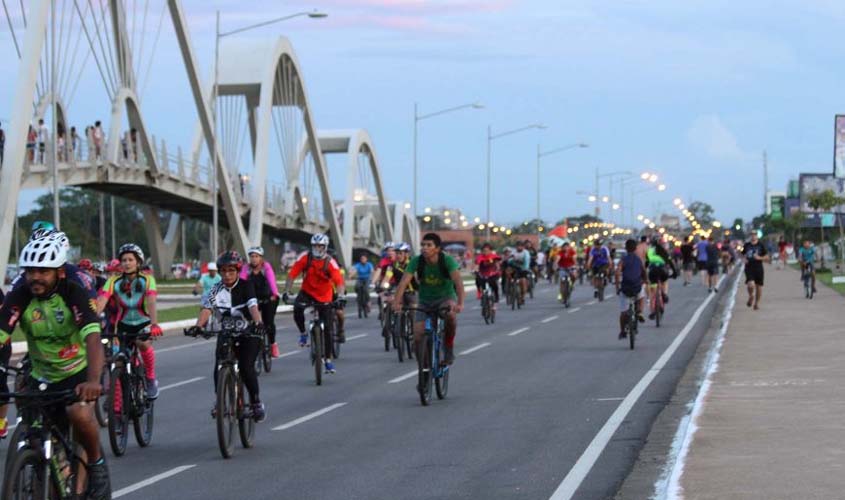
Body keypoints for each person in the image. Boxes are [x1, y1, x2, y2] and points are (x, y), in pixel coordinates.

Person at [0, 235, 111, 499]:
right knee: (36, 430)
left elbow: (93, 339)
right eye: (29, 271)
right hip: (41, 373)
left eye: (43, 271)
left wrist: (93, 381)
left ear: (59, 272)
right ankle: (43, 466)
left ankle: (95, 466)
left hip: (77, 373)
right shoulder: (20, 295)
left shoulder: (74, 293)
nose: (35, 277)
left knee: (80, 415)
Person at [187, 251, 266, 421]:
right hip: (226, 333)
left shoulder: (247, 285)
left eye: (231, 270)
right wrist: (198, 326)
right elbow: (207, 308)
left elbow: (253, 306)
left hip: (248, 333)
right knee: (219, 365)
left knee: (246, 367)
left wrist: (258, 323)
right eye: (223, 271)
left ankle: (255, 402)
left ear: (238, 271)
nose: (227, 274)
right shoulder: (216, 288)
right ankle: (220, 401)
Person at [96, 243, 162, 399]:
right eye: (123, 260)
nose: (126, 263)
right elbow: (101, 301)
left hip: (143, 323)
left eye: (130, 260)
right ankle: (117, 409)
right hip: (123, 325)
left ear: (138, 262)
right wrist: (91, 318)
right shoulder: (113, 281)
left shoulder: (147, 279)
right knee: (118, 363)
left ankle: (151, 379)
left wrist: (154, 324)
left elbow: (151, 301)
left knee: (142, 343)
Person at [392, 232, 465, 368]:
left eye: (429, 245)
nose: (424, 248)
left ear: (437, 249)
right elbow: (403, 283)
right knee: (418, 336)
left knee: (450, 316)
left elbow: (459, 283)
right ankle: (424, 371)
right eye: (423, 245)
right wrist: (396, 303)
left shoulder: (447, 261)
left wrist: (460, 303)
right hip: (425, 300)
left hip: (445, 297)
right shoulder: (417, 261)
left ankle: (448, 347)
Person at [283, 234, 345, 373]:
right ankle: (303, 333)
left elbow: (339, 282)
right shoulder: (305, 257)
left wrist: (340, 296)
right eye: (315, 246)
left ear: (325, 247)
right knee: (297, 309)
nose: (317, 249)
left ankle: (328, 360)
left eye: (320, 246)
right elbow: (292, 274)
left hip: (325, 296)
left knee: (328, 328)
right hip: (307, 292)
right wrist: (287, 290)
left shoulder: (330, 262)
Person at [240, 247, 281, 358]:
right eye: (252, 256)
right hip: (252, 299)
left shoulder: (265, 267)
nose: (254, 259)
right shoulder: (246, 268)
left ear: (261, 258)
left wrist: (274, 294)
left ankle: (273, 344)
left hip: (268, 297)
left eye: (256, 256)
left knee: (269, 323)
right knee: (250, 322)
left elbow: (272, 281)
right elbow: (241, 281)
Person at [615, 239, 647, 338]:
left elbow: (617, 273)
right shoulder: (639, 260)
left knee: (623, 312)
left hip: (626, 287)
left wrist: (617, 286)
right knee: (641, 297)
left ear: (626, 248)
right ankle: (640, 312)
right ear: (635, 248)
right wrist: (645, 280)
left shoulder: (623, 260)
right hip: (637, 286)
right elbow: (644, 272)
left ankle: (622, 331)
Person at [646, 237, 677, 318]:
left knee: (653, 292)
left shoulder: (650, 251)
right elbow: (670, 262)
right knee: (664, 281)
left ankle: (652, 311)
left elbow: (646, 263)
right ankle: (664, 294)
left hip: (652, 271)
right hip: (662, 271)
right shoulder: (663, 251)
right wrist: (674, 273)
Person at [742, 232, 769, 310]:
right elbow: (742, 254)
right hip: (749, 267)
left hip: (758, 267)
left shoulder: (761, 245)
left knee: (759, 287)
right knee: (750, 284)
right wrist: (744, 259)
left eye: (755, 235)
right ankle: (751, 296)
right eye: (752, 235)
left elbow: (767, 256)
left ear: (757, 236)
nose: (753, 236)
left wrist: (760, 258)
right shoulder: (747, 245)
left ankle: (756, 303)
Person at [507, 240, 532, 305]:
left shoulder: (525, 253)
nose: (519, 248)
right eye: (518, 246)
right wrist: (512, 259)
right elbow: (509, 260)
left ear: (523, 247)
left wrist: (525, 268)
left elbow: (527, 262)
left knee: (523, 282)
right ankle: (510, 286)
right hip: (515, 268)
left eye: (521, 246)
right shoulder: (513, 252)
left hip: (523, 269)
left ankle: (522, 297)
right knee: (508, 271)